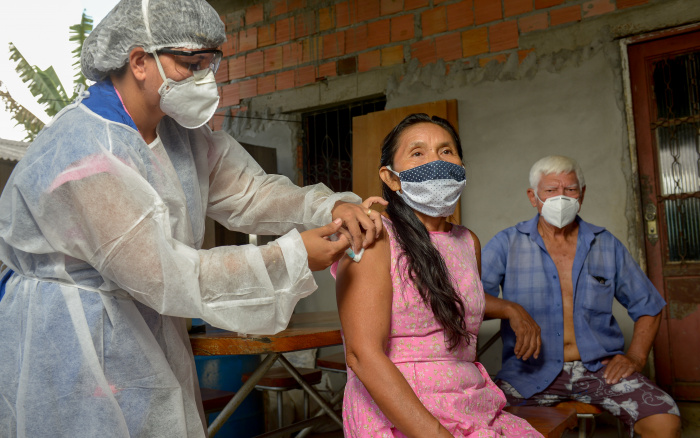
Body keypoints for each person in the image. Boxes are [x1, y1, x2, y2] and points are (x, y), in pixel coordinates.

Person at [0, 0, 385, 436]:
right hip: (74, 337)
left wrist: (327, 205)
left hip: (144, 324)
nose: (205, 78)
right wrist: (293, 256)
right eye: (190, 64)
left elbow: (248, 191)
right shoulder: (82, 154)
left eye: (210, 63)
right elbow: (167, 273)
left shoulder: (178, 135)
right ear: (140, 61)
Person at [333, 113, 542, 437]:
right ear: (391, 178)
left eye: (446, 151)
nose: (437, 162)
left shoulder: (466, 240)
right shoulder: (375, 236)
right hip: (400, 410)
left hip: (471, 402)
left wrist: (511, 308)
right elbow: (363, 355)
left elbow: (451, 297)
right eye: (418, 153)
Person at [481, 155, 682, 438]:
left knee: (664, 422)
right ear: (533, 196)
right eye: (551, 190)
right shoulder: (507, 243)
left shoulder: (606, 244)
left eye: (570, 189)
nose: (561, 198)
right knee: (485, 424)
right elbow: (470, 301)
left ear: (582, 194)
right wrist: (511, 309)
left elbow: (647, 304)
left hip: (600, 371)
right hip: (528, 372)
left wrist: (635, 356)